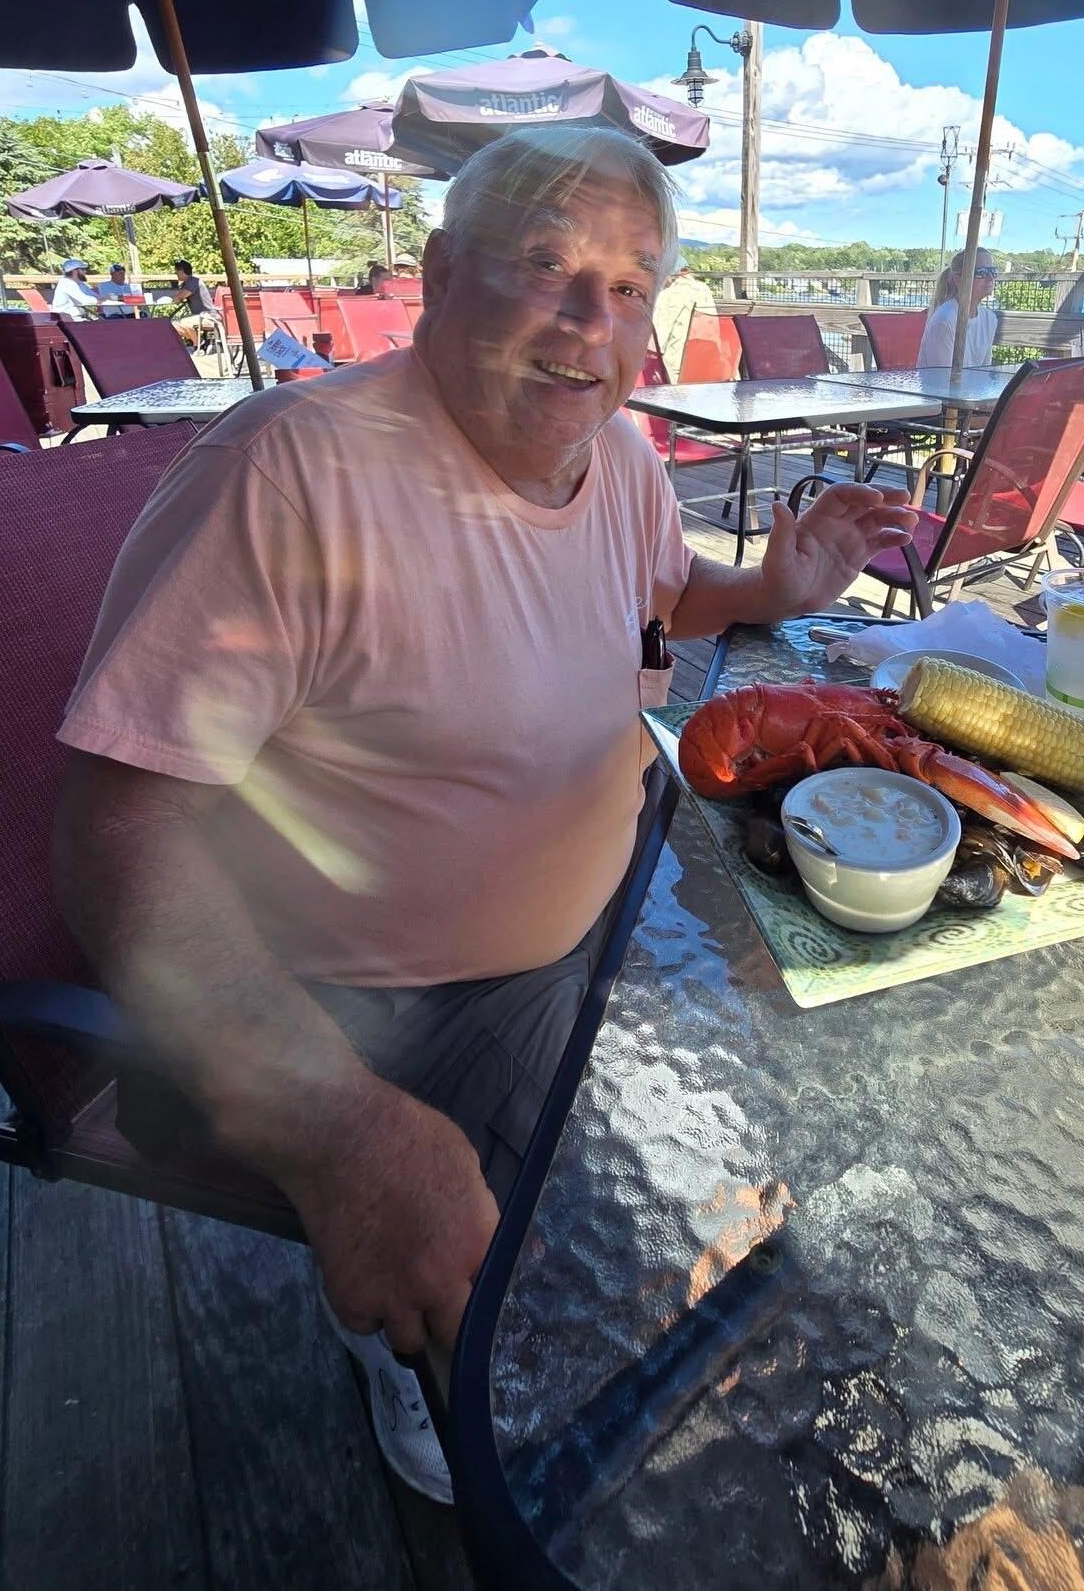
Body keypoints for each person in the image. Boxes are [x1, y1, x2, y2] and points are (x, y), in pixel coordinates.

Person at [50, 128, 916, 1502]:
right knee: (602, 1409)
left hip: (629, 911)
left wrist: (764, 594)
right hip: (379, 1012)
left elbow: (647, 589)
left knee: (845, 1145)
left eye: (632, 288)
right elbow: (116, 833)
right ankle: (404, 1351)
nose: (594, 324)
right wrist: (338, 1124)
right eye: (547, 268)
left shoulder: (620, 452)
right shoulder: (295, 476)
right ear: (441, 276)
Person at [916, 251, 998, 369]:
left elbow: (985, 371)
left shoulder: (990, 319)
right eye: (982, 273)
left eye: (993, 271)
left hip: (971, 387)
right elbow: (941, 381)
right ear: (959, 280)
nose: (990, 278)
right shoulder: (945, 321)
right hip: (937, 386)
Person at [651, 260, 716, 379]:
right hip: (709, 367)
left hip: (676, 374)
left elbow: (655, 344)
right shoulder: (704, 289)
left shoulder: (668, 295)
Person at [170, 258, 220, 350]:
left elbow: (179, 297)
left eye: (176, 271)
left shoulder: (193, 282)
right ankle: (199, 341)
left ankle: (198, 344)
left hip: (209, 316)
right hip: (199, 316)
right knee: (173, 325)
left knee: (183, 322)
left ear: (181, 271)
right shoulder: (188, 282)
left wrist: (173, 299)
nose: (176, 274)